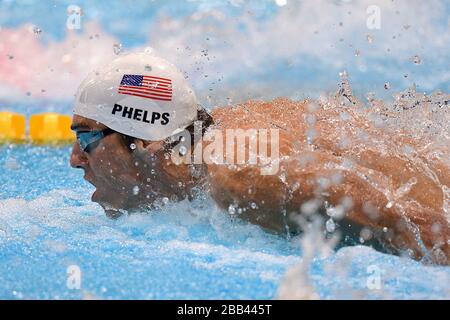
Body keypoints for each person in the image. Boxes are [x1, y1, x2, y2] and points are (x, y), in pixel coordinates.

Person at [70, 53, 449, 265]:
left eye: (86, 138)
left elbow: (418, 227)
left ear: (146, 141)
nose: (75, 159)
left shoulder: (246, 179)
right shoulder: (218, 135)